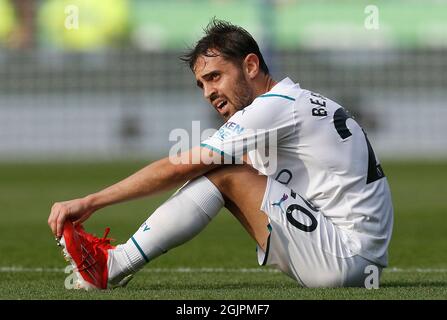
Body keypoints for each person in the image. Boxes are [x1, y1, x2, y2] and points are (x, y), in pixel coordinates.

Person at [48, 19, 393, 289]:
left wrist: (91, 201)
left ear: (251, 66)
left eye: (215, 77)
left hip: (346, 257)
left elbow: (179, 166)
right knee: (232, 165)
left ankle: (113, 265)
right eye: (202, 84)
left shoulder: (273, 107)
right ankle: (112, 265)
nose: (209, 92)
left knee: (220, 170)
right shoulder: (295, 101)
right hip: (357, 257)